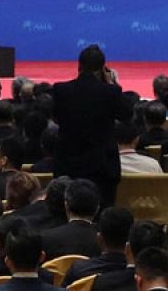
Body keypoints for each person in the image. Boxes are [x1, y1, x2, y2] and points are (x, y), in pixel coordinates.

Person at [51, 44, 134, 205]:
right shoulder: (111, 92)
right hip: (101, 168)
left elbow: (56, 118)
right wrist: (112, 84)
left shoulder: (61, 90)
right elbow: (126, 114)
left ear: (79, 66)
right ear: (103, 68)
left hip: (68, 165)